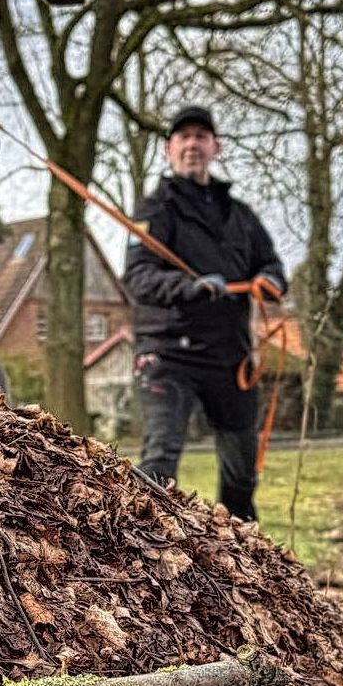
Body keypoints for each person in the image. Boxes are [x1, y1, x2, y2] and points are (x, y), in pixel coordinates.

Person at [123, 105, 286, 520]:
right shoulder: (152, 210)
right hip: (168, 354)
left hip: (229, 356)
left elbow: (272, 266)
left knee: (241, 474)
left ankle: (244, 564)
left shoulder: (240, 215)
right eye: (183, 137)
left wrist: (270, 282)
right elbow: (138, 278)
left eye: (201, 136)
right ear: (167, 150)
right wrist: (190, 288)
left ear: (217, 147)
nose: (192, 143)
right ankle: (140, 554)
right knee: (159, 462)